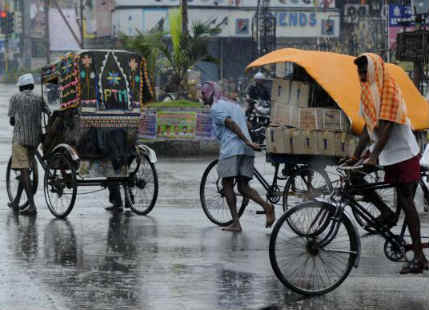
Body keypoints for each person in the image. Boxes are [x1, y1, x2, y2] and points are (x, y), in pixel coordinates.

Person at [350, 53, 426, 274]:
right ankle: (386, 213)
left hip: (403, 153)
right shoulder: (368, 91)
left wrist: (373, 155)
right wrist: (356, 155)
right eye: (360, 72)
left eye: (365, 72)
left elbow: (386, 126)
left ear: (375, 70)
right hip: (386, 153)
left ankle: (420, 257)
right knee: (354, 177)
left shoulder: (389, 88)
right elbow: (368, 127)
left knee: (406, 201)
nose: (362, 76)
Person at [200, 81, 275, 232]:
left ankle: (236, 223)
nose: (202, 97)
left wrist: (247, 141)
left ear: (211, 93)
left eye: (204, 93)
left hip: (232, 149)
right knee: (243, 187)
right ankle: (267, 207)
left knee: (227, 185)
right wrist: (249, 143)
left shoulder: (216, 108)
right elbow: (247, 125)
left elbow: (231, 124)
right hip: (245, 149)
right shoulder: (233, 105)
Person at [8, 73, 50, 216]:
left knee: (23, 170)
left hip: (20, 139)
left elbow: (12, 120)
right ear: (32, 85)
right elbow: (49, 112)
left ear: (21, 86)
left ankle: (32, 205)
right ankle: (16, 201)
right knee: (25, 169)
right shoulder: (39, 98)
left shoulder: (15, 98)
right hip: (35, 139)